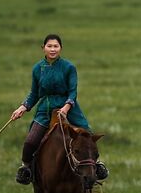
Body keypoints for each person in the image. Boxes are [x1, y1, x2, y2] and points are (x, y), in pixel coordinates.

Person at [11, 34, 107, 184]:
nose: (53, 49)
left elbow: (73, 92)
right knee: (30, 141)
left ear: (61, 48)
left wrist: (66, 107)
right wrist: (23, 107)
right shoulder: (37, 69)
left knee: (87, 135)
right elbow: (34, 93)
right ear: (43, 48)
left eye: (56, 46)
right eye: (49, 46)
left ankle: (97, 165)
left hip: (69, 108)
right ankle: (26, 168)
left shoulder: (69, 67)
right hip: (45, 109)